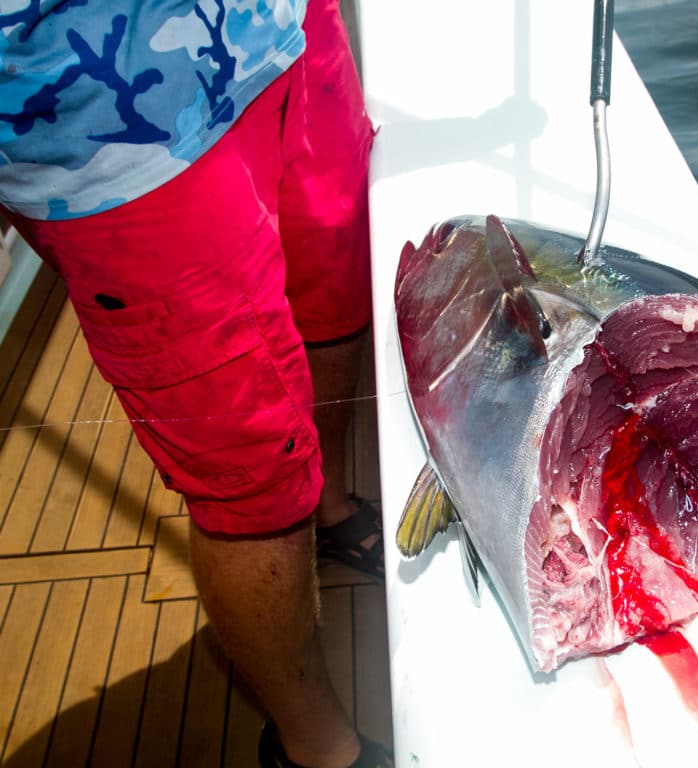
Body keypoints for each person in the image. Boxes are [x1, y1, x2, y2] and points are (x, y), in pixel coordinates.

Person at [0, 2, 391, 766]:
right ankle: (316, 748)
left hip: (278, 28)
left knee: (335, 293)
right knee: (251, 476)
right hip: (109, 133)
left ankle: (331, 504)